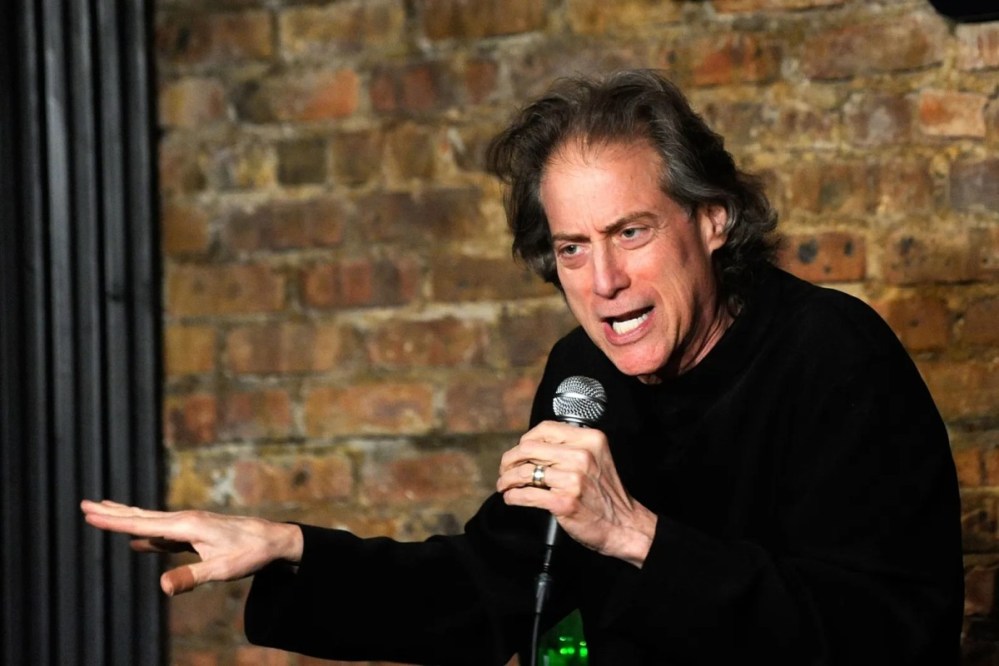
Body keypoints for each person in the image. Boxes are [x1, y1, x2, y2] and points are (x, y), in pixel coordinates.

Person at [82, 69, 964, 664]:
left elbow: (890, 635)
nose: (603, 281)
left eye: (630, 232)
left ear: (712, 220)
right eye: (572, 248)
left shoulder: (832, 355)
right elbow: (493, 585)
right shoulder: (584, 372)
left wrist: (635, 535)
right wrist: (292, 548)